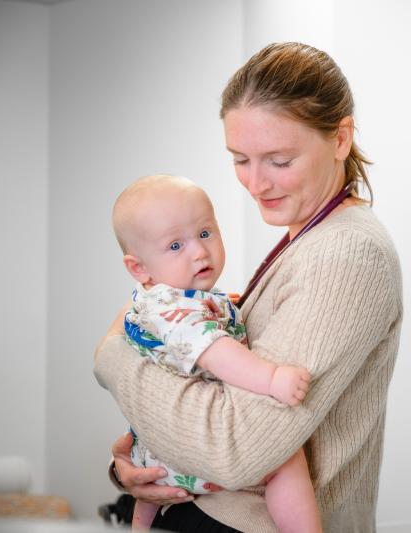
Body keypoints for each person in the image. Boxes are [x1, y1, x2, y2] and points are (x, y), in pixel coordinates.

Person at [94, 41, 403, 533]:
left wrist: (112, 359)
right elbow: (210, 389)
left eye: (279, 161)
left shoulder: (346, 252)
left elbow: (235, 446)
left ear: (341, 139)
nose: (256, 183)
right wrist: (136, 464)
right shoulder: (305, 241)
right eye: (241, 159)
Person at [109, 174, 320, 532]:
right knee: (284, 459)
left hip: (157, 454)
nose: (199, 251)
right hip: (189, 456)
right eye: (175, 246)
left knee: (147, 500)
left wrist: (223, 308)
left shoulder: (163, 300)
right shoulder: (175, 311)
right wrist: (272, 378)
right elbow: (215, 352)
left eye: (205, 233)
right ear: (138, 267)